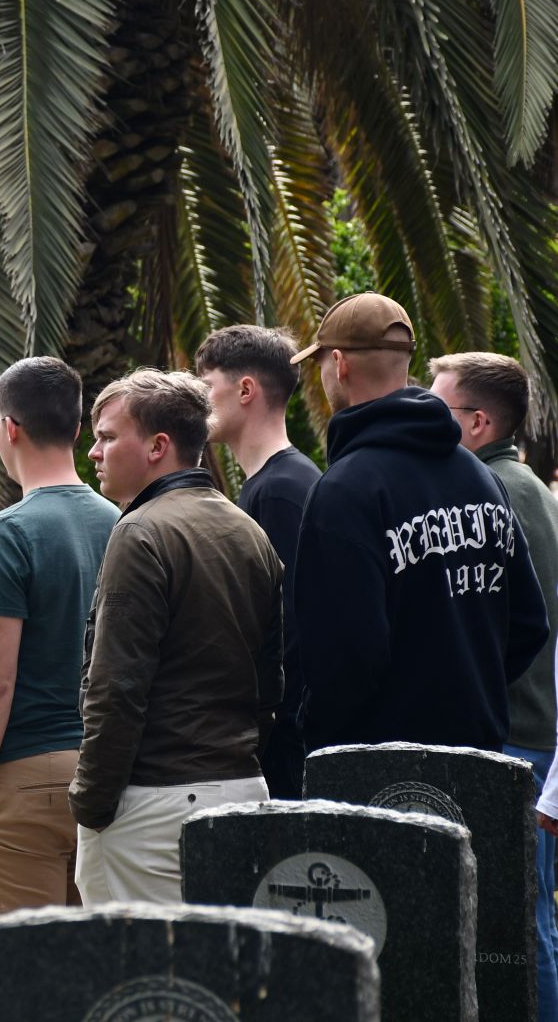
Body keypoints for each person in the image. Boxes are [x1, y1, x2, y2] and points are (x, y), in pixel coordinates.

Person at [289, 294, 547, 754]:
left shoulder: (344, 491)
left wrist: (315, 734)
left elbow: (344, 657)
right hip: (481, 762)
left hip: (380, 771)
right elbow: (528, 623)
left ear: (339, 364)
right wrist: (467, 692)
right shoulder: (481, 477)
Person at [71, 369, 281, 904]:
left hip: (154, 807)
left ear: (158, 446)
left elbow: (115, 687)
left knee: (143, 983)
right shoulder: (248, 530)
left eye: (108, 436)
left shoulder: (140, 532)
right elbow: (272, 682)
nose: (94, 451)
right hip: (241, 790)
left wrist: (91, 807)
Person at [0, 358, 117, 921]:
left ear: (10, 428)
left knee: (23, 985)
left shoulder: (6, 532)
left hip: (24, 776)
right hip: (104, 771)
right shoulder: (120, 520)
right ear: (76, 430)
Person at [429, 350, 558, 1021]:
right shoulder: (528, 486)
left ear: (477, 422)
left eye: (437, 407)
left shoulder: (492, 492)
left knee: (519, 925)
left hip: (515, 739)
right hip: (533, 737)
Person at [196, 325, 321, 798]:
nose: (198, 399)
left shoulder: (279, 489)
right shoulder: (278, 482)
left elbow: (286, 628)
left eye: (207, 386)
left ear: (245, 389)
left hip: (282, 746)